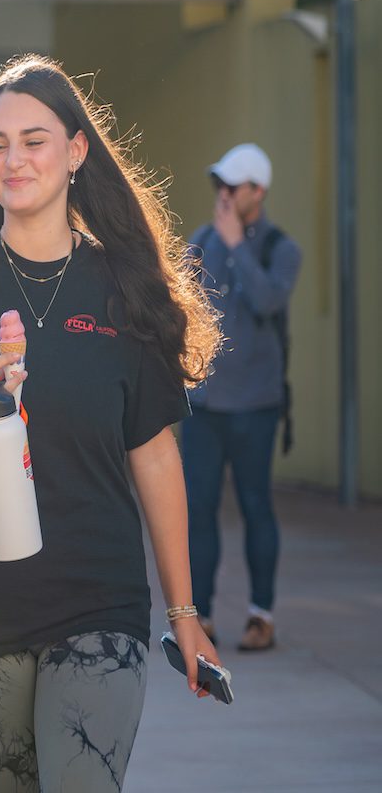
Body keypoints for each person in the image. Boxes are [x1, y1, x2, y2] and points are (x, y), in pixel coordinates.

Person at [0, 55, 224, 792]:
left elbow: (156, 458)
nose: (13, 158)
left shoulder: (125, 289)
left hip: (99, 603)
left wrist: (184, 609)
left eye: (34, 139)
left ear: (75, 152)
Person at [184, 143, 301, 652]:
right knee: (198, 508)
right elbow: (181, 309)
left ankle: (261, 615)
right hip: (205, 405)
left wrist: (236, 246)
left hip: (256, 404)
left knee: (256, 506)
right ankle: (200, 617)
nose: (224, 196)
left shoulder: (280, 247)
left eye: (234, 187)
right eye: (220, 186)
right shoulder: (201, 241)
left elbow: (268, 299)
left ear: (259, 191)